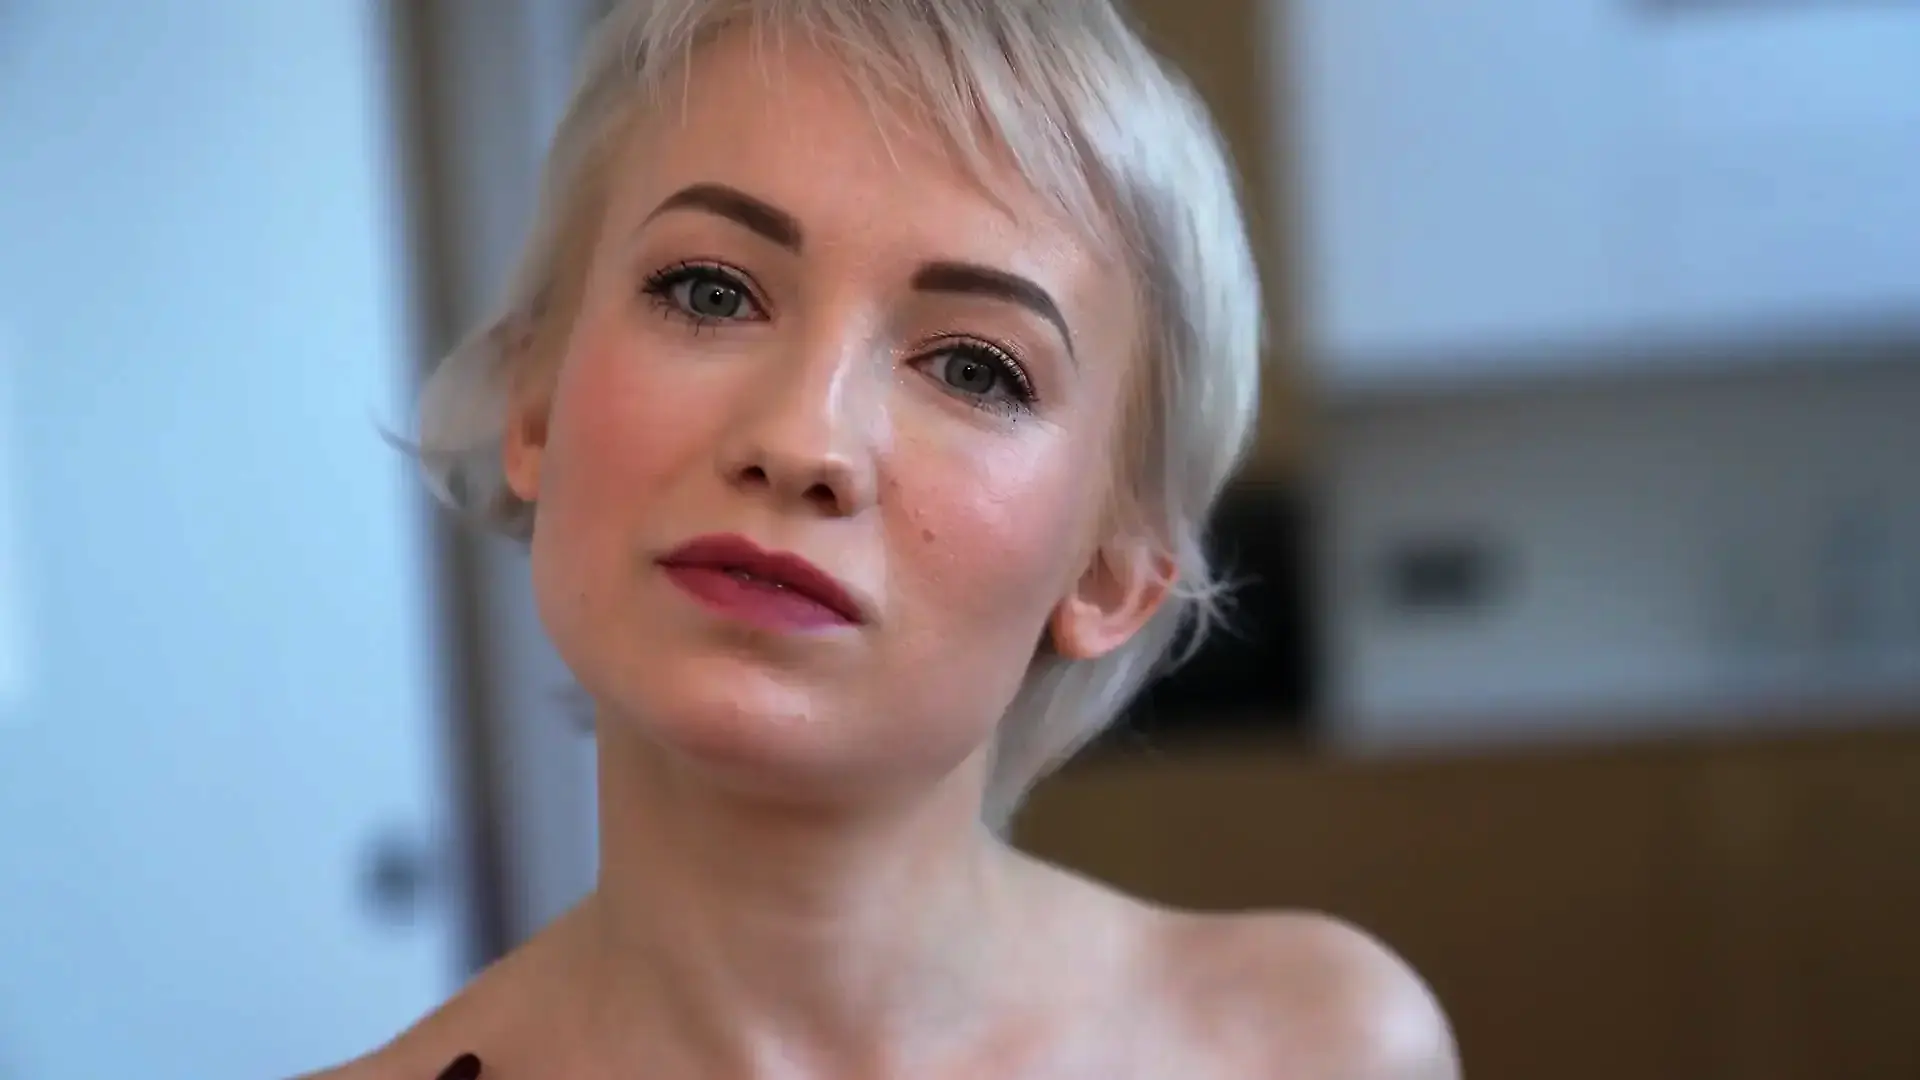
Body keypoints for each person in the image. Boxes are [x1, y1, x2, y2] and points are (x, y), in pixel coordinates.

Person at [313, 1, 1456, 1077]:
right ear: (534, 405)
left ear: (1111, 576)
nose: (802, 440)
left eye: (975, 370)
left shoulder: (1313, 1048)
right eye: (710, 293)